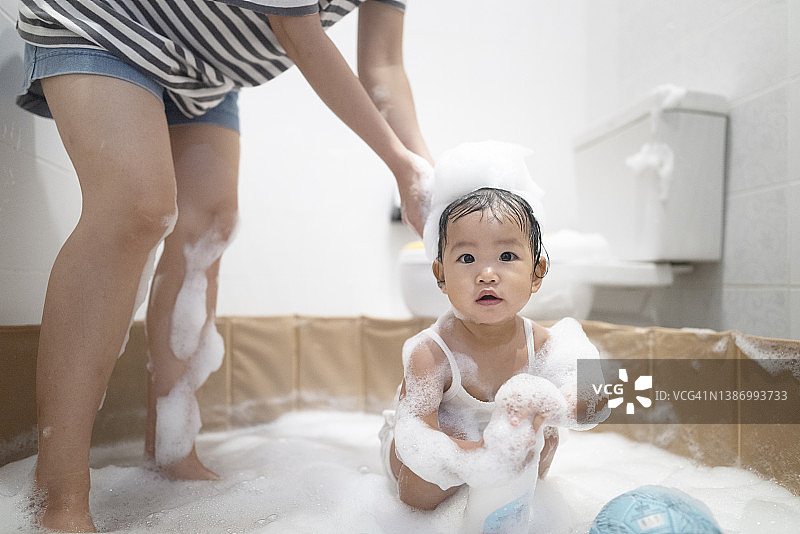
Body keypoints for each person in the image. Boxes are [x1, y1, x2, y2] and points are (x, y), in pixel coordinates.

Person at [16, 0, 432, 531]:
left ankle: (172, 453)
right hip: (110, 22)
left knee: (210, 226)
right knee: (136, 210)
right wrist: (399, 165)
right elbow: (297, 32)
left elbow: (384, 67)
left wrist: (422, 172)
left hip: (206, 71)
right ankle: (58, 498)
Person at [380, 186, 607, 513]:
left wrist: (557, 407)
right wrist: (477, 458)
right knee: (445, 444)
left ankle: (513, 506)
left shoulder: (547, 343)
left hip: (495, 449)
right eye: (467, 258)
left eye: (507, 256)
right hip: (419, 454)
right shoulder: (431, 354)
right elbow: (417, 448)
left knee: (548, 435)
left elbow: (595, 397)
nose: (487, 274)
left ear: (537, 273)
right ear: (441, 275)